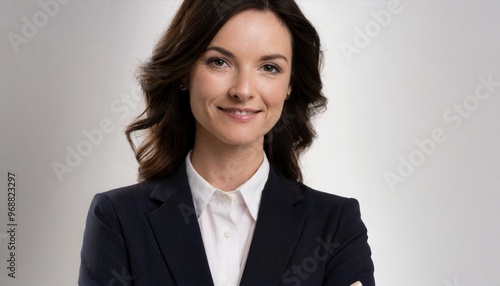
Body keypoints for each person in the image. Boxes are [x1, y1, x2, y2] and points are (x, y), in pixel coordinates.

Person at [79, 0, 375, 285]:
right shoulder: (117, 219)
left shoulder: (335, 225)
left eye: (269, 67)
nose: (243, 90)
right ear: (184, 72)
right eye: (219, 62)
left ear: (290, 86)